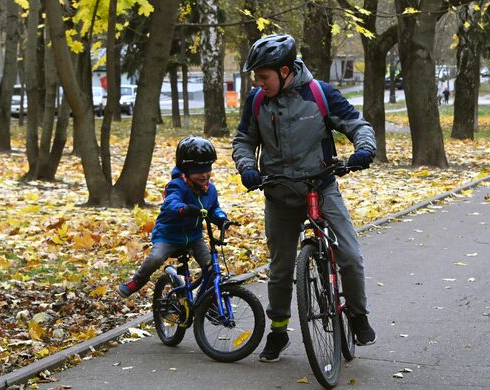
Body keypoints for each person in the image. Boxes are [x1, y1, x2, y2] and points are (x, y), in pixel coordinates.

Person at [232, 34, 377, 363]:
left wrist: (364, 149)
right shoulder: (257, 101)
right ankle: (279, 330)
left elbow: (356, 124)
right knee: (281, 269)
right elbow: (243, 140)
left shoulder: (319, 94)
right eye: (256, 77)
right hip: (279, 192)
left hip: (321, 186)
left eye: (263, 76)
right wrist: (247, 167)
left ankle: (357, 316)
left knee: (350, 256)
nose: (258, 83)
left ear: (285, 71)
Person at [118, 136, 228, 298]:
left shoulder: (210, 189)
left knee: (211, 266)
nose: (204, 175)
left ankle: (209, 300)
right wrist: (183, 209)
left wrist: (220, 217)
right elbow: (171, 203)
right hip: (169, 236)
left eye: (207, 169)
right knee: (155, 258)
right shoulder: (177, 186)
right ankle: (136, 281)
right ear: (186, 171)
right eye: (198, 171)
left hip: (193, 237)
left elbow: (213, 208)